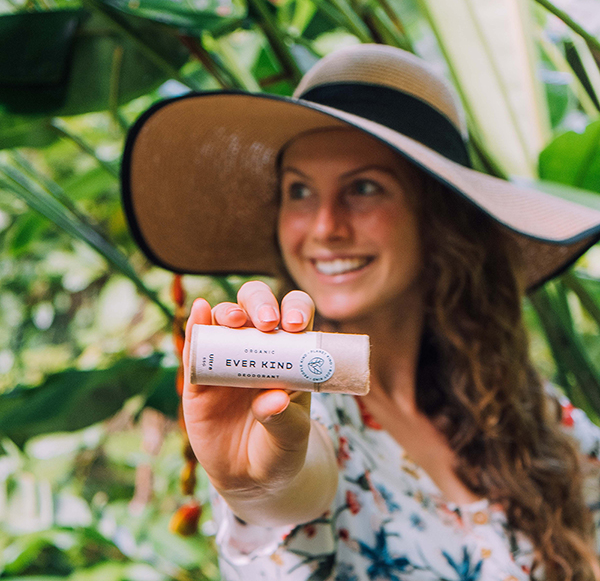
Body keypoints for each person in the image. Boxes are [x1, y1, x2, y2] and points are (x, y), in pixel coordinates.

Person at [121, 45, 600, 580]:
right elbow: (295, 481)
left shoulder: (532, 416)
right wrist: (257, 485)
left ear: (437, 217)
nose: (325, 226)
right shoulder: (302, 411)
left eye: (364, 188)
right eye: (298, 191)